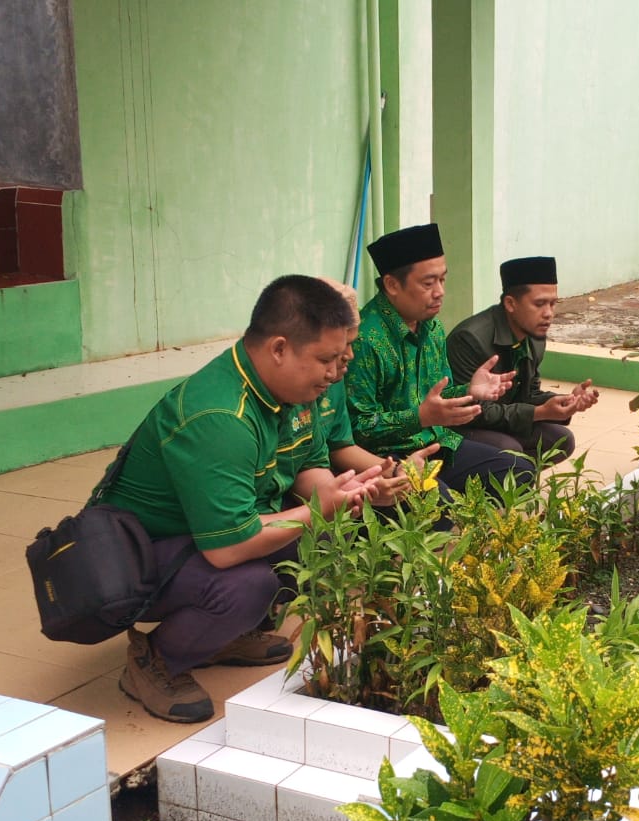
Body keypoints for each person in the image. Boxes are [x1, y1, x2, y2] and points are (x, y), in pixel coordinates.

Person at [100, 275, 413, 723]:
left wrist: (357, 489)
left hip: (200, 536)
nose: (335, 372)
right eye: (325, 359)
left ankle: (218, 637)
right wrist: (318, 510)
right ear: (279, 348)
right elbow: (227, 548)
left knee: (322, 536)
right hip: (135, 559)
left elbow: (307, 468)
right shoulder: (221, 416)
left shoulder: (289, 391)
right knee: (249, 584)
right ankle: (156, 662)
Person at [345, 223, 535, 494]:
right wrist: (419, 417)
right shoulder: (364, 339)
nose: (440, 291)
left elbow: (438, 398)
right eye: (428, 283)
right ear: (392, 284)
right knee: (436, 504)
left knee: (519, 473)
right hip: (389, 457)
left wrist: (469, 390)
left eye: (442, 280)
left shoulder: (432, 328)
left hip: (439, 445)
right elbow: (355, 429)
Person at [446, 256, 599, 464]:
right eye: (539, 304)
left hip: (500, 420)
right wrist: (539, 412)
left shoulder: (534, 336)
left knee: (560, 440)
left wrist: (566, 401)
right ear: (510, 303)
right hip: (459, 428)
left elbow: (528, 393)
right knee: (510, 450)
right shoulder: (470, 339)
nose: (549, 314)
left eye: (553, 304)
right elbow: (473, 412)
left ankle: (518, 485)